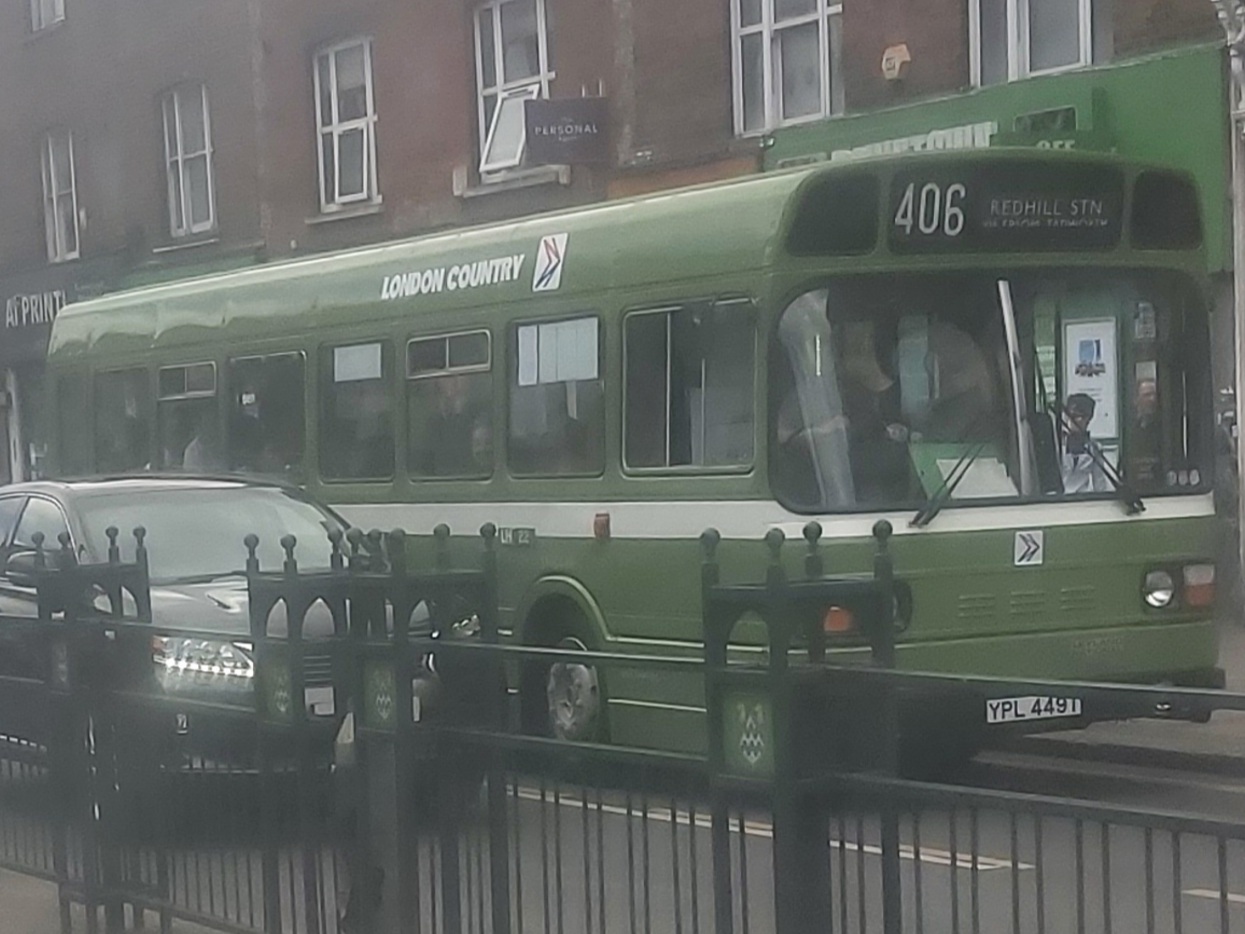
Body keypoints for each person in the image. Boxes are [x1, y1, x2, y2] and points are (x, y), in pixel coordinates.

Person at [838, 320, 911, 502]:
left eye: (864, 340)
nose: (863, 344)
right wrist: (820, 434)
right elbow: (784, 435)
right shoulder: (825, 398)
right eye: (851, 342)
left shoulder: (907, 398)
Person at [1061, 393, 1110, 493]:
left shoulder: (1094, 447)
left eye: (1084, 417)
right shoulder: (1057, 445)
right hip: (1058, 501)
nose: (1079, 420)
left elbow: (1100, 485)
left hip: (1083, 500)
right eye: (1074, 416)